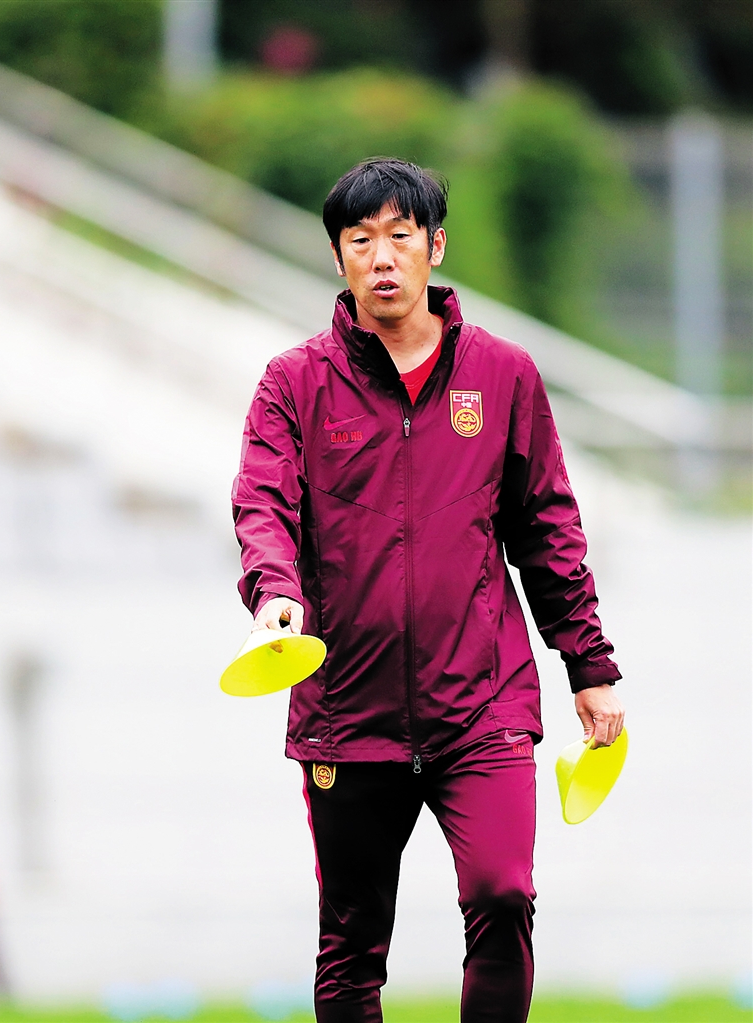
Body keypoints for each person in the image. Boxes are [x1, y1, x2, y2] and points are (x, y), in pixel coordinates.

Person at [232, 158, 625, 1023]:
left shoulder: (505, 375)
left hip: (481, 704)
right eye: (360, 240)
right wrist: (275, 592)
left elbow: (548, 528)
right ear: (338, 257)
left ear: (434, 247)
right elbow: (263, 503)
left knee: (502, 893)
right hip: (348, 710)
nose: (382, 258)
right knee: (351, 943)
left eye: (400, 237)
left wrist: (589, 665)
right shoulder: (294, 382)